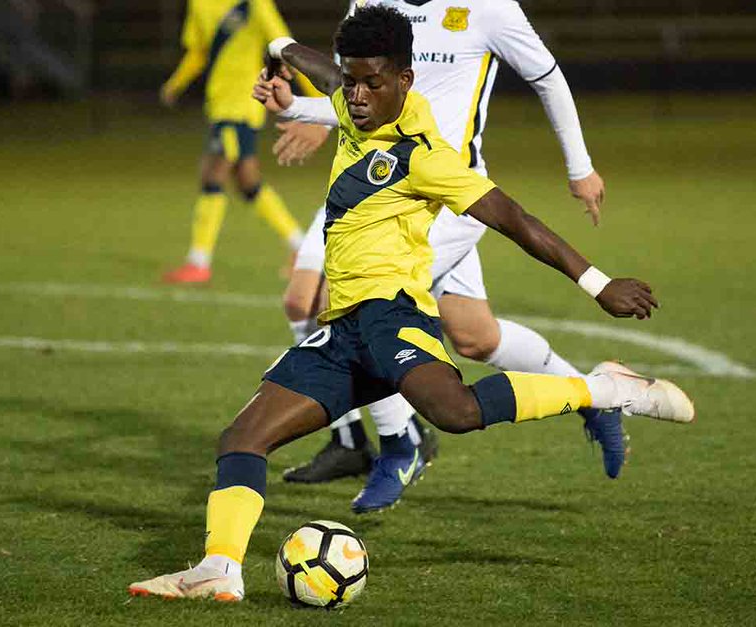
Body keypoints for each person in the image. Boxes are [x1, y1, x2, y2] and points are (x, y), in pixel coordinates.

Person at [128, 5, 694, 602]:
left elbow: (513, 218)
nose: (359, 94)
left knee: (455, 411)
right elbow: (324, 72)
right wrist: (282, 51)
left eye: (374, 82)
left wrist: (598, 284)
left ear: (405, 80)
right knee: (241, 439)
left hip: (394, 312)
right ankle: (220, 568)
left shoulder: (426, 154)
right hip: (344, 329)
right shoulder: (353, 103)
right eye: (354, 81)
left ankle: (605, 389)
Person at [262, 0, 620, 513]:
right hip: (366, 180)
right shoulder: (372, 4)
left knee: (354, 307)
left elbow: (547, 77)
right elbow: (354, 81)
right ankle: (589, 394)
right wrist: (304, 109)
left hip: (445, 197)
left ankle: (399, 445)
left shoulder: (491, 9)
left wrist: (579, 166)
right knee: (476, 335)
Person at [159, 0, 321, 284]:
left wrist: (319, 100)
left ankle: (199, 262)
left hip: (240, 106)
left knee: (213, 173)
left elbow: (286, 49)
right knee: (247, 182)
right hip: (219, 104)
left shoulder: (253, 4)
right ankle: (300, 246)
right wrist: (175, 84)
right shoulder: (199, 4)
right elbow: (198, 51)